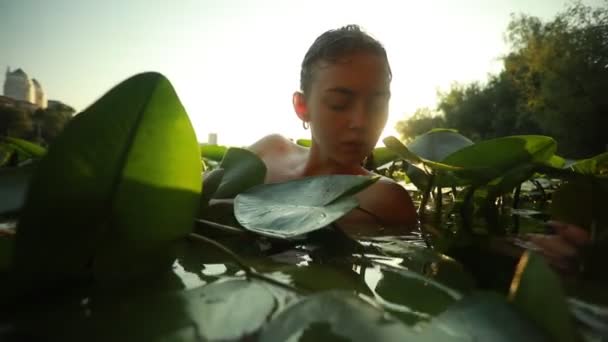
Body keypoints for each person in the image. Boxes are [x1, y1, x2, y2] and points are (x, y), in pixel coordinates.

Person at [248, 25, 418, 233]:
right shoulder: (268, 152)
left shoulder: (385, 200)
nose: (360, 122)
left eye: (377, 105)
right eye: (339, 103)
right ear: (302, 106)